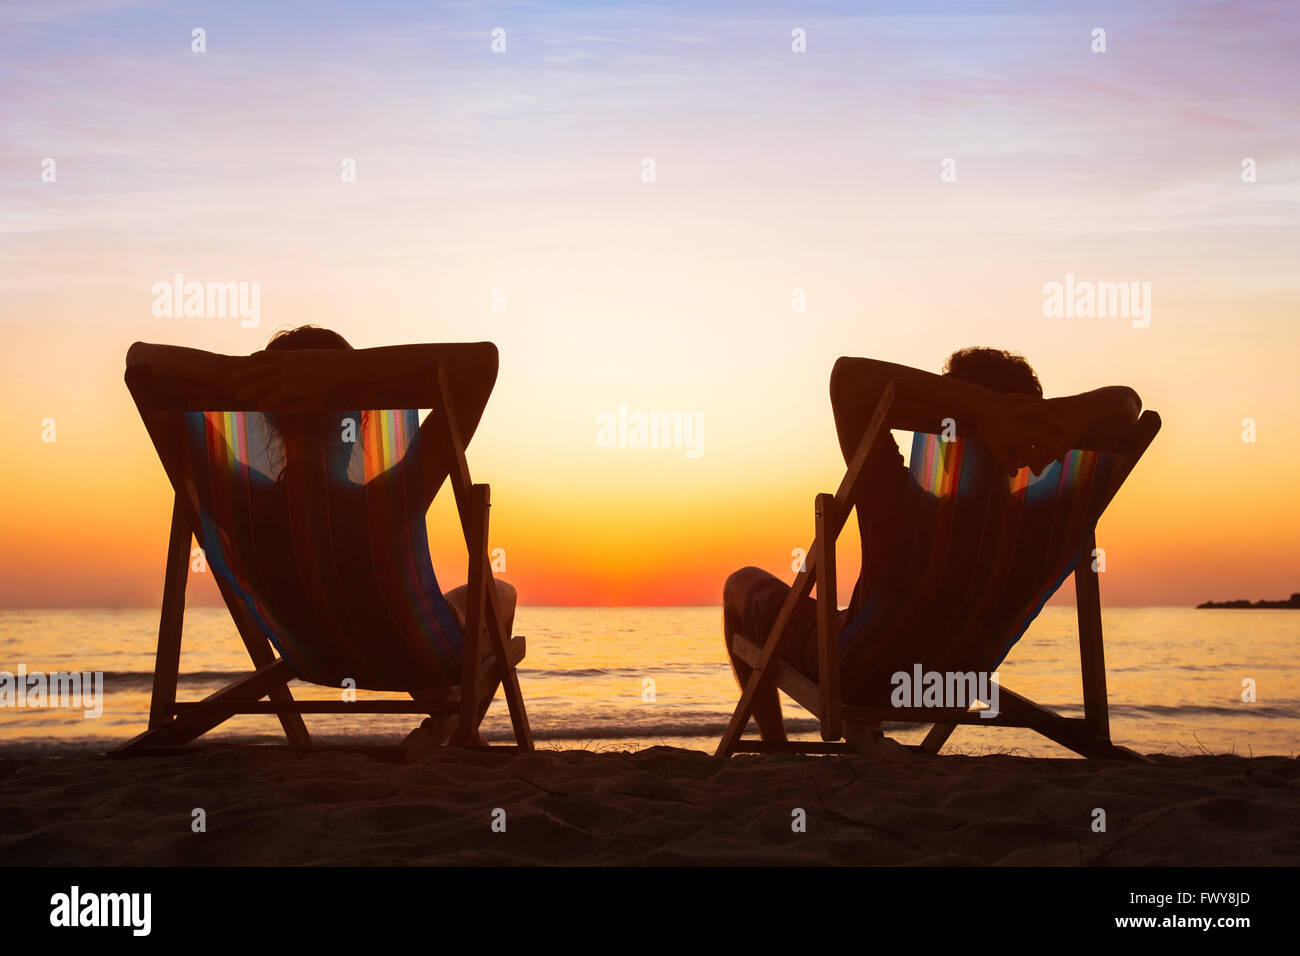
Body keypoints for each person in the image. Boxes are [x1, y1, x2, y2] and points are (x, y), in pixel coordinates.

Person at [721, 347, 1142, 753]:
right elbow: (1129, 403)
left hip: (856, 669)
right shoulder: (1049, 519)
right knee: (845, 617)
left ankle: (773, 743)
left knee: (740, 584)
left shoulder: (902, 502)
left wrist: (977, 407)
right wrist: (1066, 412)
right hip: (957, 681)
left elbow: (846, 377)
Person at [126, 327, 515, 748]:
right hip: (422, 658)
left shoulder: (237, 500)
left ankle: (448, 720)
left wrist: (245, 376)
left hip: (312, 656)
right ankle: (456, 728)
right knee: (500, 590)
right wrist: (340, 372)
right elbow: (483, 361)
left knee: (397, 620)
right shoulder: (391, 501)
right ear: (359, 418)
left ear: (271, 422)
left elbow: (140, 360)